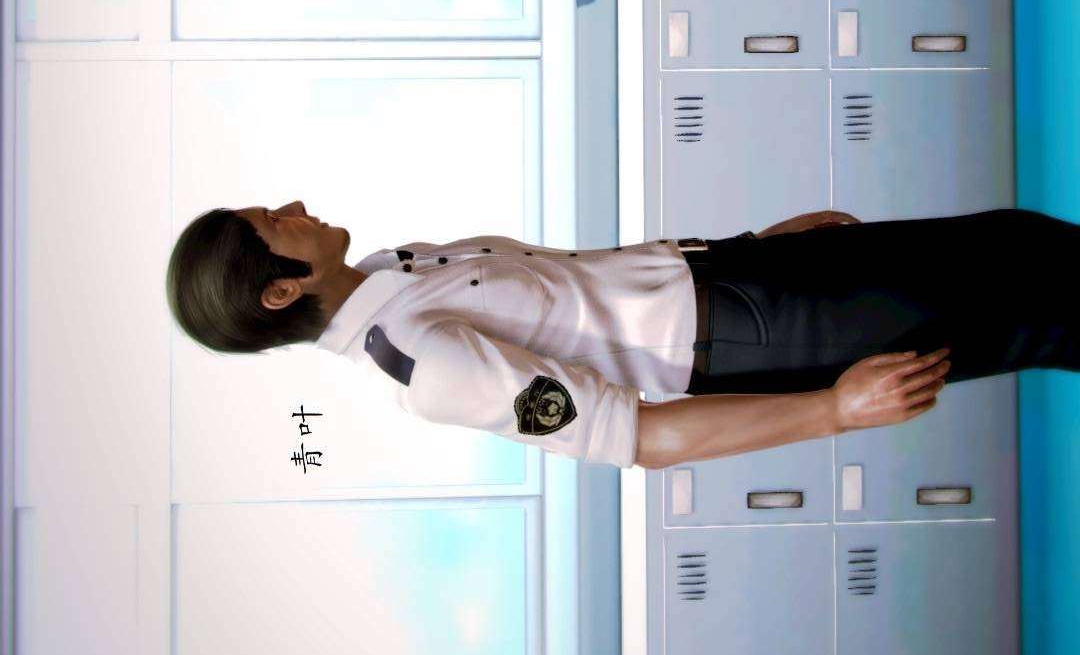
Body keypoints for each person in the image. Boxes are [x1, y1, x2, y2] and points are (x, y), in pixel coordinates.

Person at [166, 199, 1078, 470]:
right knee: (1035, 311)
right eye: (272, 222)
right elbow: (638, 436)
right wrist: (834, 410)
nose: (291, 204)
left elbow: (592, 290)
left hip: (744, 282)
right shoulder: (426, 365)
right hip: (758, 335)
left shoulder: (395, 267)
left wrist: (753, 247)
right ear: (281, 291)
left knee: (1018, 244)